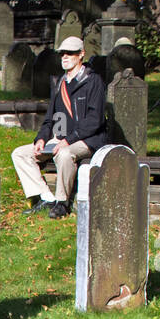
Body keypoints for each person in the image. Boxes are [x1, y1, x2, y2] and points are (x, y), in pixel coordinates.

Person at [10, 36, 108, 219]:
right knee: (20, 154)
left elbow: (95, 121)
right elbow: (50, 119)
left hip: (88, 140)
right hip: (62, 138)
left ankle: (62, 203)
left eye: (70, 53)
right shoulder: (60, 83)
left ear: (81, 55)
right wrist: (41, 139)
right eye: (62, 53)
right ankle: (46, 198)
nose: (65, 56)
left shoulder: (94, 82)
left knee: (64, 154)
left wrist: (68, 141)